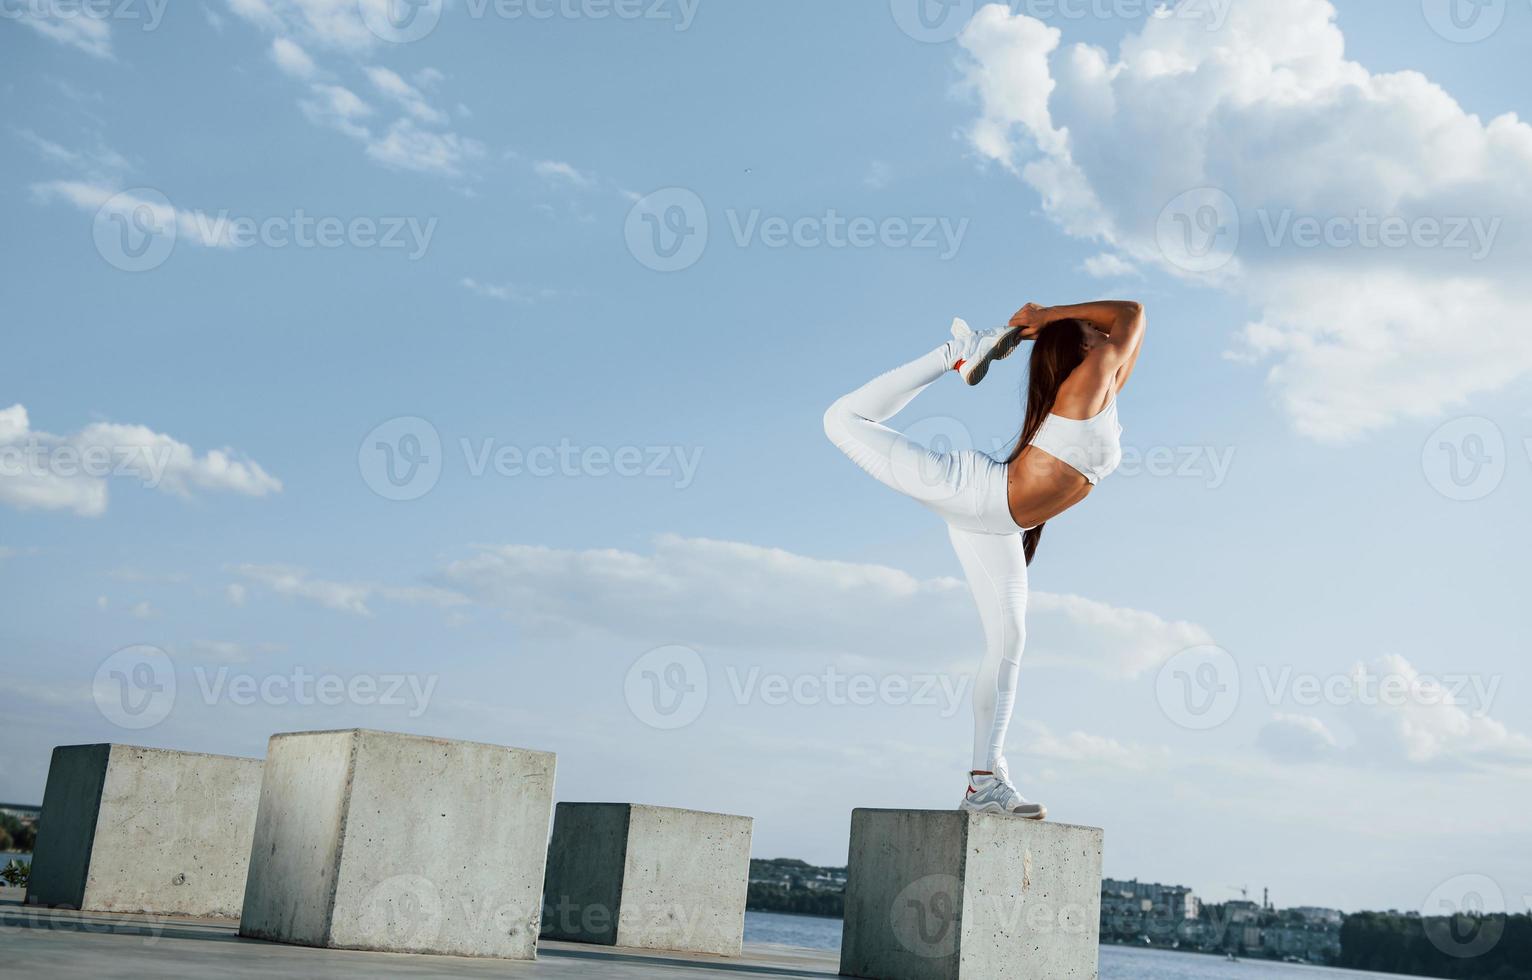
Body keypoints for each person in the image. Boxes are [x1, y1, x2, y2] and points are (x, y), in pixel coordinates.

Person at [823, 300, 1146, 818]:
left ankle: (983, 783)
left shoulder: (1099, 388)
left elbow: (1124, 321)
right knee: (841, 419)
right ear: (1087, 346)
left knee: (1009, 642)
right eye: (1093, 330)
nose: (1102, 332)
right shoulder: (1090, 379)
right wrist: (1045, 317)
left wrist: (1040, 323)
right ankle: (956, 352)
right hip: (972, 492)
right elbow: (1131, 313)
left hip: (995, 523)